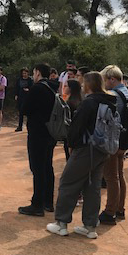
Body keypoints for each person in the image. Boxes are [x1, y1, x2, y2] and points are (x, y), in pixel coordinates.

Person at [46, 72, 117, 239]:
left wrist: (71, 145)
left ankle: (61, 223)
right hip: (103, 149)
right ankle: (90, 226)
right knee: (92, 187)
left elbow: (76, 128)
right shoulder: (110, 101)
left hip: (86, 149)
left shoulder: (89, 103)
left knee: (68, 182)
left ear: (89, 85)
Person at [18, 63, 58, 217]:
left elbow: (25, 109)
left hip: (37, 132)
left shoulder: (37, 88)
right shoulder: (53, 87)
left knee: (37, 168)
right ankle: (48, 202)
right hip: (50, 132)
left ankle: (37, 204)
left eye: (34, 72)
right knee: (48, 166)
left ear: (38, 73)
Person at [98, 65, 128, 225]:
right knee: (119, 175)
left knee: (111, 176)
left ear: (112, 79)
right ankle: (119, 208)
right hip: (123, 140)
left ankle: (110, 211)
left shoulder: (114, 95)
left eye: (105, 80)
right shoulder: (127, 92)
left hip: (113, 140)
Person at [62, 79, 83, 160]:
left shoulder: (70, 103)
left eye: (66, 86)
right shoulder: (80, 101)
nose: (64, 87)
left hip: (71, 135)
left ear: (71, 88)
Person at [14, 68, 33, 132]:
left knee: (28, 113)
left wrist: (29, 90)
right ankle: (20, 126)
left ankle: (29, 126)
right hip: (20, 97)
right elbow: (17, 87)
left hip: (27, 97)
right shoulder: (19, 79)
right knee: (20, 112)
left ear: (28, 73)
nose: (24, 74)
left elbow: (33, 87)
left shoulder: (30, 80)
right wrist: (16, 95)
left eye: (25, 73)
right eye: (23, 73)